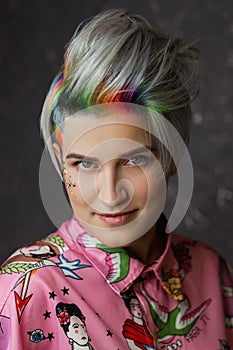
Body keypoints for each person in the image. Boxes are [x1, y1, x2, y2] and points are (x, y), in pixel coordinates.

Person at [0, 8, 232, 350]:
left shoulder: (210, 272)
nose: (109, 194)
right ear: (60, 161)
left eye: (134, 160)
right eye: (84, 164)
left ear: (171, 157)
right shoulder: (25, 292)